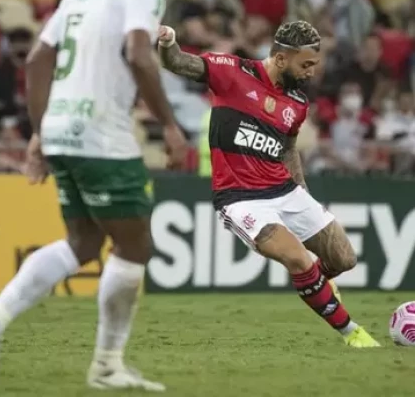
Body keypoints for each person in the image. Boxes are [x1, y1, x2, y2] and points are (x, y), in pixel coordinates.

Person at [0, 0, 188, 391]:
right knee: (134, 244)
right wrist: (169, 123)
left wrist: (40, 132)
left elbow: (38, 60)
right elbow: (140, 53)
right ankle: (106, 365)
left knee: (83, 243)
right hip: (101, 131)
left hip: (62, 127)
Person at [157, 20, 380, 348]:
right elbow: (178, 62)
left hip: (285, 191)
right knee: (298, 259)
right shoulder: (231, 71)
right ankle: (353, 334)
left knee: (344, 259)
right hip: (241, 199)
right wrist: (168, 42)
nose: (310, 72)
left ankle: (315, 285)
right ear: (280, 59)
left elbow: (288, 150)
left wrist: (302, 194)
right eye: (305, 64)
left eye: (314, 65)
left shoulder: (298, 104)